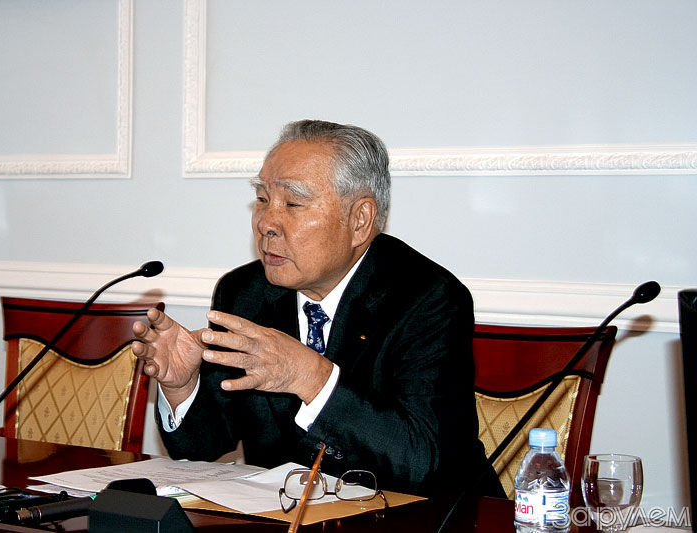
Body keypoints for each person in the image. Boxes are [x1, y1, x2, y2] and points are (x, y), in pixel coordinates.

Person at [131, 119, 503, 500]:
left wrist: (312, 378)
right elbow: (203, 449)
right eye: (262, 199)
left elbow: (424, 461)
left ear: (359, 221)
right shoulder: (244, 294)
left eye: (292, 203)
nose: (266, 223)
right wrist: (182, 388)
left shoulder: (428, 299)